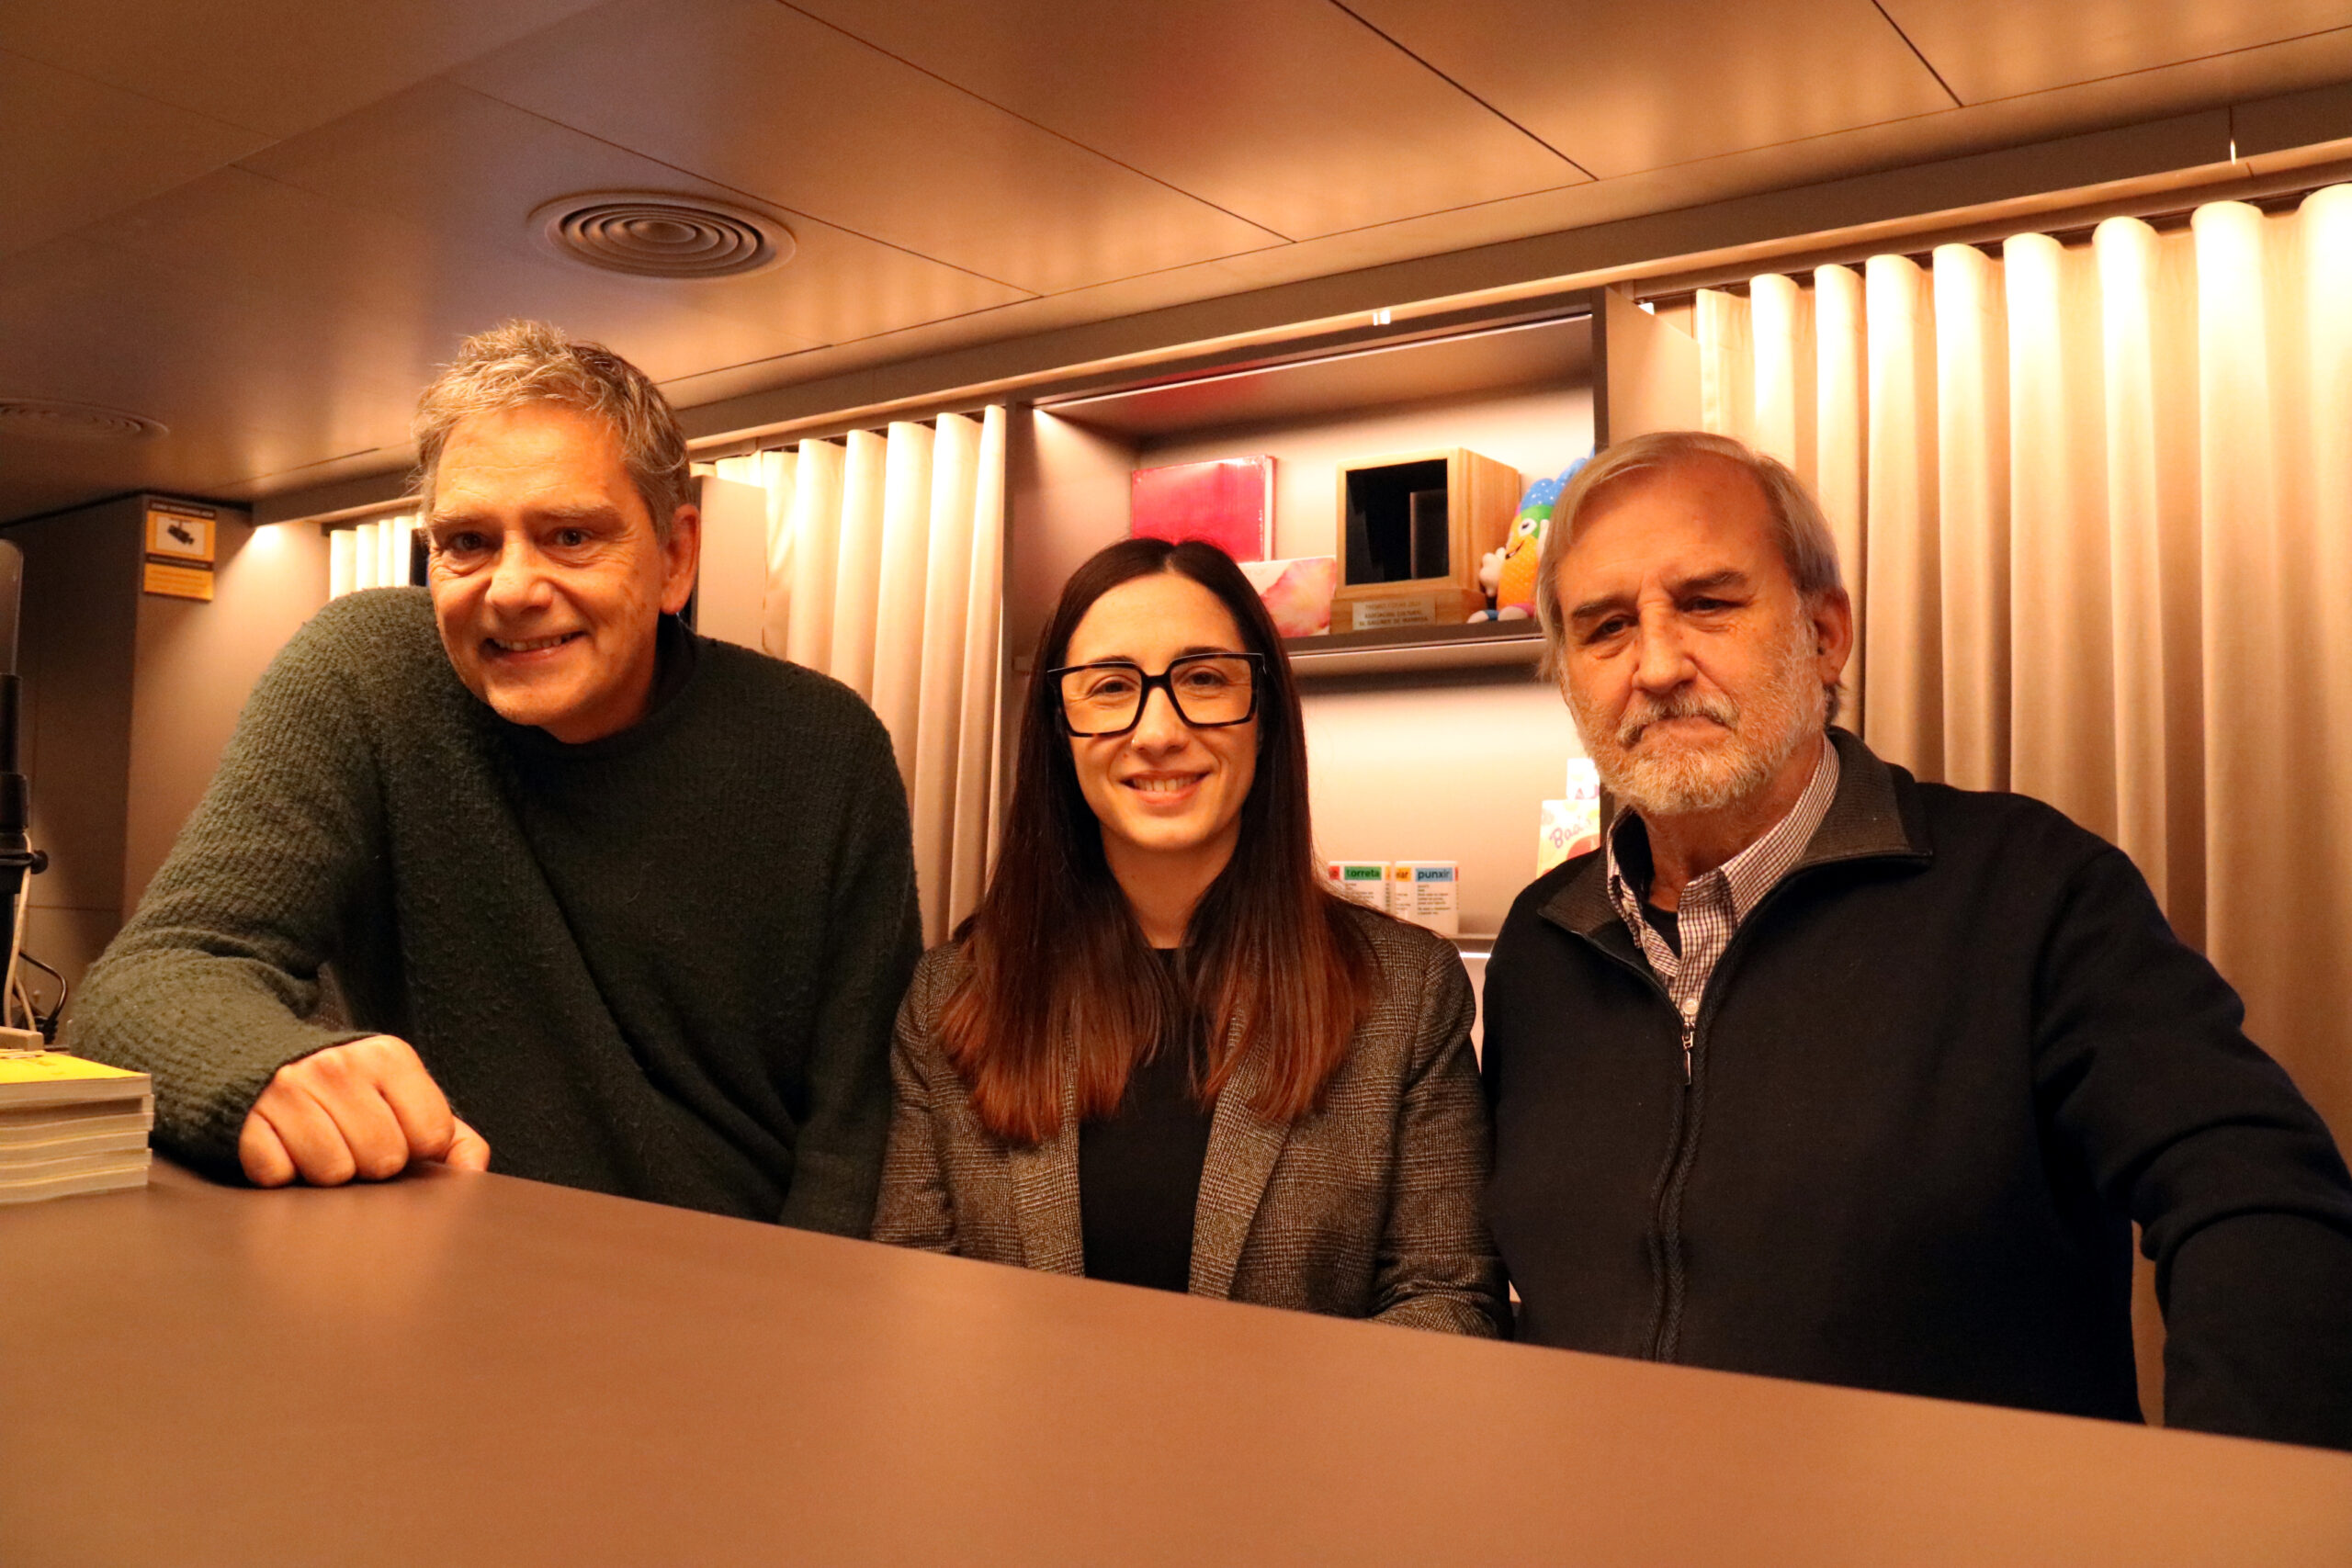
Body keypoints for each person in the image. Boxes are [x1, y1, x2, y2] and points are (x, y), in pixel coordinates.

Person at [1484, 429, 2352, 1448]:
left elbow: (2259, 1196)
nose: (1660, 663)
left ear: (1825, 633)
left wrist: (2232, 1500)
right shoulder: (1541, 946)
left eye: (1709, 603)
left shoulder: (2032, 891)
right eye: (1605, 627)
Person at [68, 321, 919, 1233]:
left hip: (728, 1278)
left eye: (570, 536)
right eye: (469, 541)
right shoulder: (368, 674)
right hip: (441, 1264)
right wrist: (267, 1065)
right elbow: (144, 983)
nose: (512, 589)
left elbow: (854, 1132)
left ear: (675, 558)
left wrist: (795, 1309)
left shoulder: (824, 749)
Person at [874, 538, 1504, 1334]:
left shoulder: (1404, 994)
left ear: (1264, 714)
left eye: (1203, 679)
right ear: (1060, 727)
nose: (1159, 730)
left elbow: (1446, 1297)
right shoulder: (954, 997)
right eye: (1111, 686)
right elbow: (916, 1295)